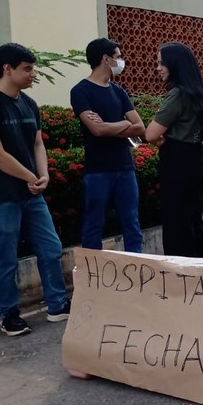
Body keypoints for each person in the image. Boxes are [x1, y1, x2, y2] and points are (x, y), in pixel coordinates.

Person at [0, 43, 71, 336]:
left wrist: (43, 174)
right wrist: (31, 176)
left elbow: (38, 144)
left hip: (31, 193)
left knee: (50, 249)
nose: (32, 74)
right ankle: (10, 315)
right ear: (7, 69)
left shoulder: (28, 104)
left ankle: (57, 304)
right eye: (27, 69)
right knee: (6, 257)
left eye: (33, 68)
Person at [70, 38, 146, 253]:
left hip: (124, 166)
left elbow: (139, 126)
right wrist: (123, 124)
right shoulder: (81, 91)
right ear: (105, 59)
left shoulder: (118, 91)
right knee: (94, 224)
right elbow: (97, 130)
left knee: (132, 223)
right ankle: (92, 273)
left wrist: (114, 125)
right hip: (98, 169)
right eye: (118, 56)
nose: (121, 61)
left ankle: (136, 265)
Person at [145, 42, 203, 258]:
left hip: (177, 162)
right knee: (192, 217)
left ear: (174, 65)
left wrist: (158, 137)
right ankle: (201, 265)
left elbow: (150, 134)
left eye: (161, 63)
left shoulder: (177, 94)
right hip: (194, 158)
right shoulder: (195, 93)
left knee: (176, 220)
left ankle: (181, 273)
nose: (158, 68)